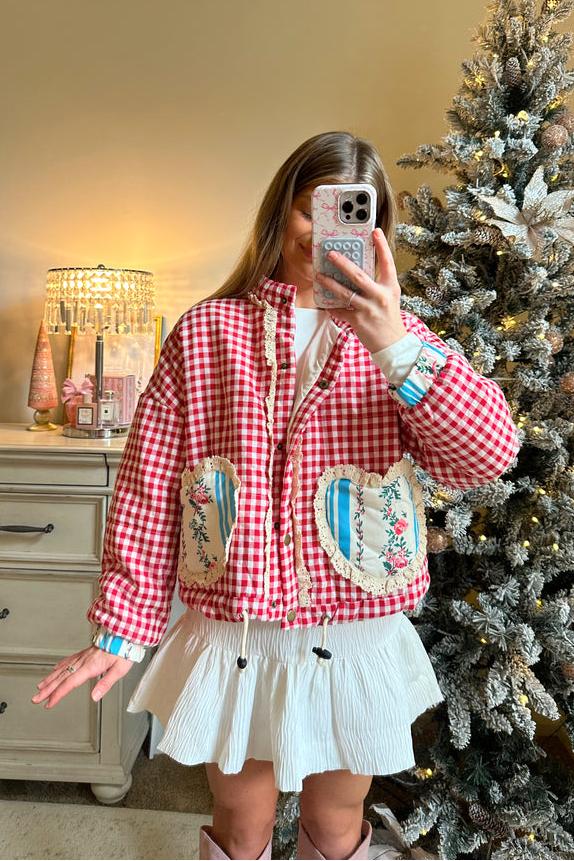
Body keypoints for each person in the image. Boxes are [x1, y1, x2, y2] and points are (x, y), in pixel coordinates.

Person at [31, 130, 521, 861]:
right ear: (280, 213)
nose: (324, 232)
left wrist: (393, 345)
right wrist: (121, 628)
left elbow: (483, 457)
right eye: (310, 209)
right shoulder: (206, 333)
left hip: (351, 629)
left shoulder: (401, 342)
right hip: (239, 630)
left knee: (336, 822)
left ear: (376, 232)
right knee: (242, 820)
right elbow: (149, 484)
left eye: (351, 214)